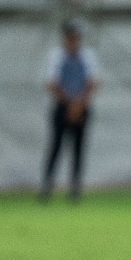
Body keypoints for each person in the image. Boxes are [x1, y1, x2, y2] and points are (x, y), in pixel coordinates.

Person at [40, 21, 100, 203]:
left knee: (78, 149)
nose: (73, 41)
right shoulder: (56, 56)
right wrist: (69, 103)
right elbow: (52, 83)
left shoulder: (88, 56)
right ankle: (48, 185)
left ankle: (75, 187)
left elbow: (93, 81)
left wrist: (80, 103)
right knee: (56, 146)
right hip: (62, 106)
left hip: (82, 106)